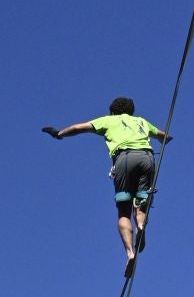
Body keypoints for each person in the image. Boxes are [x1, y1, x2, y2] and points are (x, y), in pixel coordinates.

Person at [42, 98, 171, 274]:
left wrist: (59, 134)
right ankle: (141, 226)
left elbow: (79, 128)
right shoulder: (141, 121)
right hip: (146, 158)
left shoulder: (109, 120)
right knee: (141, 203)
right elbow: (164, 136)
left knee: (124, 210)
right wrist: (166, 137)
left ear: (112, 111)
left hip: (124, 159)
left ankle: (130, 253)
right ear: (131, 110)